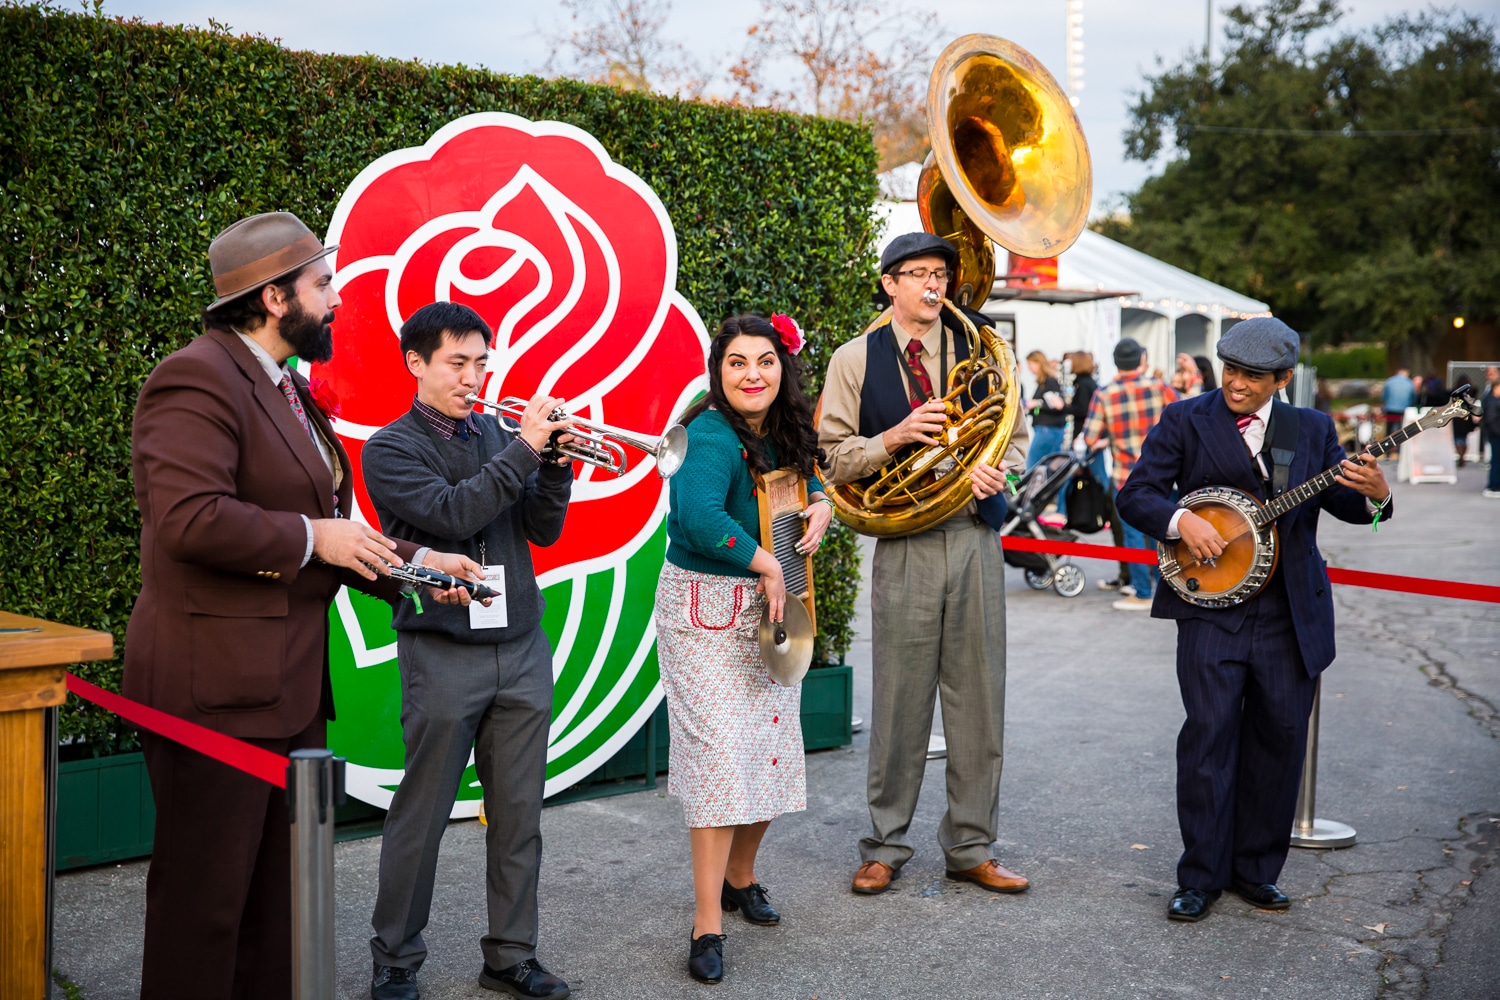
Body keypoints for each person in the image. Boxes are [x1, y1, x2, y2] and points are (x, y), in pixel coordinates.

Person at [124, 212, 478, 1000]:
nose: (339, 301)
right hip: (210, 693)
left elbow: (332, 533)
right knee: (205, 911)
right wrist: (315, 539)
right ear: (275, 297)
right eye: (324, 285)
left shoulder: (284, 387)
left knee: (275, 909)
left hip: (280, 694)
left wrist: (417, 567)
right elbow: (188, 519)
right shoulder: (195, 376)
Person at [1116, 317, 1392, 923]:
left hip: (1290, 612)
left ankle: (1255, 871)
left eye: (1253, 376)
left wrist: (1378, 493)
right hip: (1210, 607)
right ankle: (1201, 876)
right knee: (1209, 736)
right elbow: (1135, 493)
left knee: (1281, 740)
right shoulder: (1184, 419)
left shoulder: (1311, 428)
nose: (1236, 384)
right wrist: (1178, 521)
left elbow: (1346, 505)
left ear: (1283, 379)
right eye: (1230, 370)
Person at [361, 301, 577, 1000]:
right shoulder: (389, 449)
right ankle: (395, 960)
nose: (473, 376)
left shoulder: (501, 433)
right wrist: (525, 450)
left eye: (482, 361)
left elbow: (541, 530)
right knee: (422, 817)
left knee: (519, 815)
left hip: (519, 646)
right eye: (457, 363)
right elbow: (454, 512)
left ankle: (511, 955)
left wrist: (556, 464)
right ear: (415, 364)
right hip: (442, 651)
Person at [819, 232, 1030, 900]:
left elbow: (1016, 440)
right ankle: (884, 846)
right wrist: (894, 437)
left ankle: (971, 847)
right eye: (918, 274)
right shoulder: (855, 358)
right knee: (900, 700)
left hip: (972, 535)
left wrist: (1001, 474)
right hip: (904, 543)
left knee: (979, 699)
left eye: (940, 274)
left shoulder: (981, 349)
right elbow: (832, 456)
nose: (934, 286)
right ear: (890, 284)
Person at [654, 313, 834, 984]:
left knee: (770, 750)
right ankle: (707, 924)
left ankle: (740, 875)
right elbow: (699, 518)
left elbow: (808, 485)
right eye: (737, 362)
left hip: (770, 604)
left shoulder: (783, 428)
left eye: (764, 360)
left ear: (782, 367)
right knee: (720, 763)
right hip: (704, 613)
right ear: (717, 370)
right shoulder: (706, 433)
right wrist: (767, 564)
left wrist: (820, 507)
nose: (752, 373)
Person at [1082, 338, 1180, 611]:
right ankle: (1168, 589)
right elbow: (1185, 415)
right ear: (1140, 360)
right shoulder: (1159, 387)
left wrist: (1109, 440)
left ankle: (1143, 592)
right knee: (1164, 533)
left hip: (1127, 477)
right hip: (1163, 474)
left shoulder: (1104, 393)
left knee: (1134, 535)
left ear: (1116, 362)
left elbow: (1090, 438)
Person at [1068, 353, 1130, 591]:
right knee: (1131, 527)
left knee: (1122, 524)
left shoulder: (1104, 392)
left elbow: (1092, 434)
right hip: (1137, 472)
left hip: (1119, 471)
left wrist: (1098, 440)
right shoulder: (1154, 389)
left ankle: (1135, 582)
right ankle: (1132, 578)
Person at [1025, 350, 1068, 469]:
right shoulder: (1044, 382)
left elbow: (1058, 405)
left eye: (1030, 364)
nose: (1029, 368)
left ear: (1038, 363)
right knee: (1050, 468)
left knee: (1032, 466)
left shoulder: (1049, 382)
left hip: (1048, 431)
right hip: (1048, 430)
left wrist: (1036, 403)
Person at [1382, 367, 1415, 442]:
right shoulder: (1409, 382)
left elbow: (1384, 396)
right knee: (1401, 431)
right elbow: (1413, 396)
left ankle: (1386, 449)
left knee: (1388, 430)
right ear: (1407, 373)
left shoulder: (1390, 381)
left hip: (1390, 409)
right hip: (1404, 409)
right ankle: (1399, 449)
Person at [1483, 379, 1500, 498]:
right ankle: (1493, 485)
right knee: (1496, 460)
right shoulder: (1491, 401)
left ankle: (1495, 484)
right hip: (1496, 435)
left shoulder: (1493, 400)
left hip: (1495, 433)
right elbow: (1490, 419)